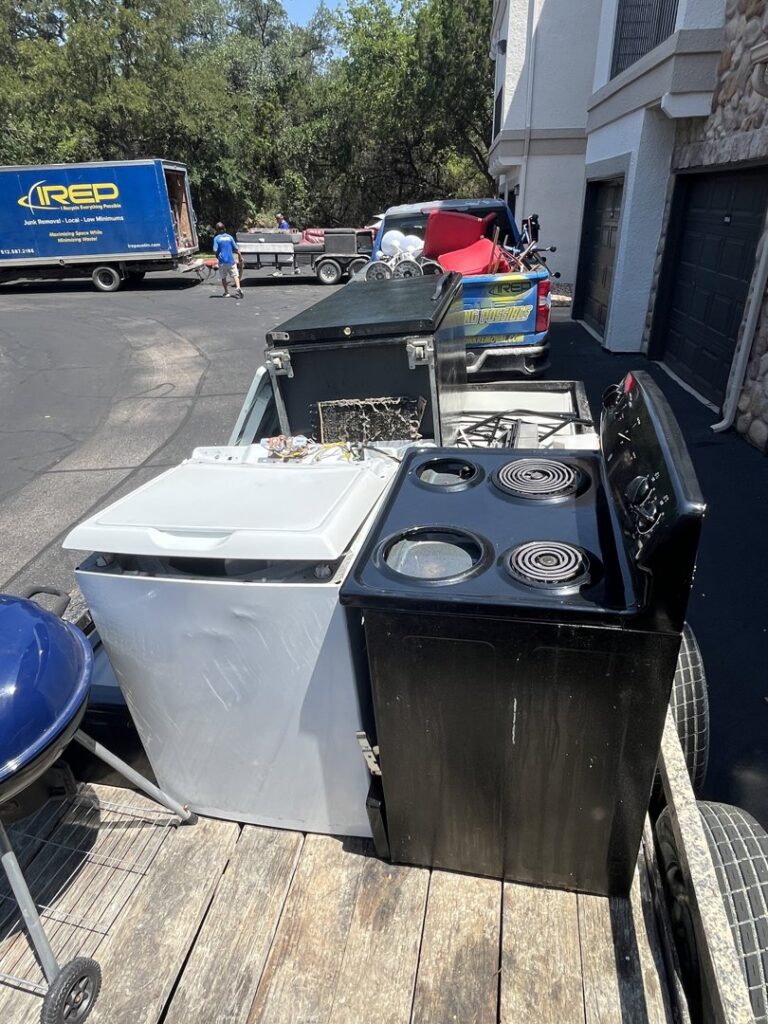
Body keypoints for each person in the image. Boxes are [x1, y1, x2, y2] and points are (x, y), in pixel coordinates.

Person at [212, 221, 243, 298]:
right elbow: (236, 248)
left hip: (222, 261)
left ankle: (226, 292)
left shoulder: (216, 238)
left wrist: (217, 254)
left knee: (223, 277)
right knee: (235, 275)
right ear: (224, 228)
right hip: (231, 260)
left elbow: (215, 249)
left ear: (217, 230)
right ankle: (238, 287)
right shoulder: (230, 237)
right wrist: (240, 257)